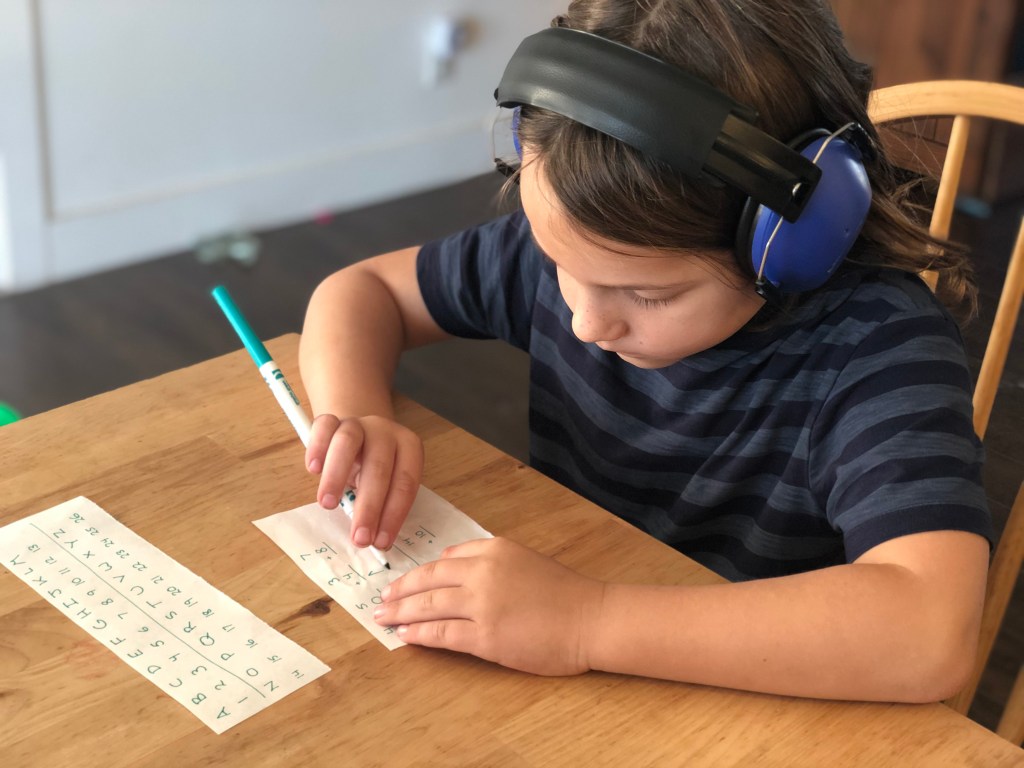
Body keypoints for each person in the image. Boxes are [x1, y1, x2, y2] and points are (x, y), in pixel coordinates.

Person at [299, 0, 993, 702]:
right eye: (558, 261)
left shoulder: (879, 350)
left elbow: (927, 635)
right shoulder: (586, 254)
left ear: (792, 243)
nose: (585, 322)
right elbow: (361, 292)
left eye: (650, 297)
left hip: (757, 701)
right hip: (583, 669)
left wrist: (586, 622)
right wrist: (358, 413)